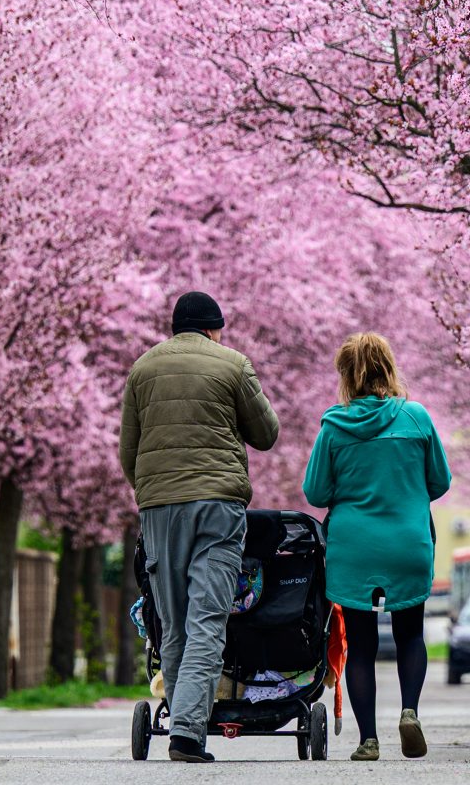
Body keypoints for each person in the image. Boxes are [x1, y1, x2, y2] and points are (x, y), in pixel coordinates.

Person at [119, 291, 279, 762]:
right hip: (217, 506)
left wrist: (152, 492)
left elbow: (129, 451)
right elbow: (267, 434)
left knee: (172, 623)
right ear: (214, 329)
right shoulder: (233, 364)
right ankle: (187, 733)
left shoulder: (142, 368)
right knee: (207, 616)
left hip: (159, 508)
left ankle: (181, 720)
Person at [303, 332, 452, 762]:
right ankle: (409, 712)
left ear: (346, 375)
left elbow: (316, 492)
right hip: (407, 542)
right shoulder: (417, 417)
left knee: (362, 645)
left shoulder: (334, 426)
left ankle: (368, 740)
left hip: (355, 547)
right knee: (410, 634)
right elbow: (440, 481)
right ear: (389, 367)